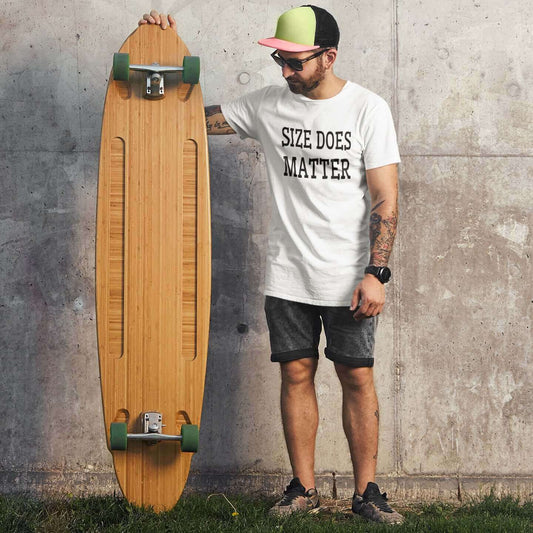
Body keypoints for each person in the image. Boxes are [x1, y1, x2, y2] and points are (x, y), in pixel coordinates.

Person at [139, 5, 403, 525]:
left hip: (350, 278)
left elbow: (385, 200)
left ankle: (367, 491)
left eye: (296, 62)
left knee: (356, 376)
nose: (285, 72)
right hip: (288, 274)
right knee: (296, 373)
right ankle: (302, 488)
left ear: (329, 57)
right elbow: (190, 118)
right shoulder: (266, 105)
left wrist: (376, 273)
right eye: (279, 60)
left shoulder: (368, 109)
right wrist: (160, 51)